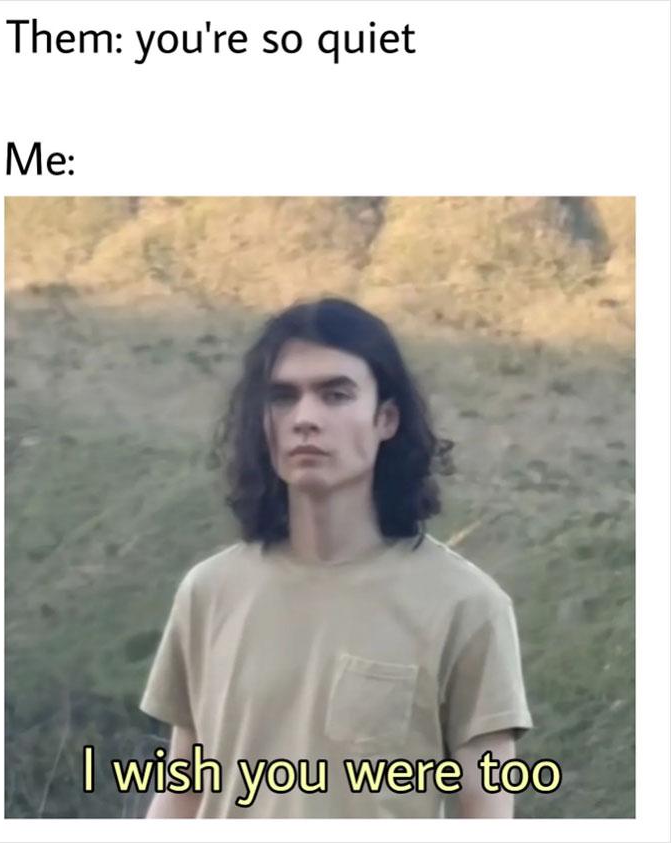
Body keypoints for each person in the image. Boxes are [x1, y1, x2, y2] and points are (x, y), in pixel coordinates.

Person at [140, 297, 533, 818]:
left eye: (335, 395)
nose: (305, 418)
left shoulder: (467, 607)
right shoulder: (209, 592)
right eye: (282, 397)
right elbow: (181, 795)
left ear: (385, 418)